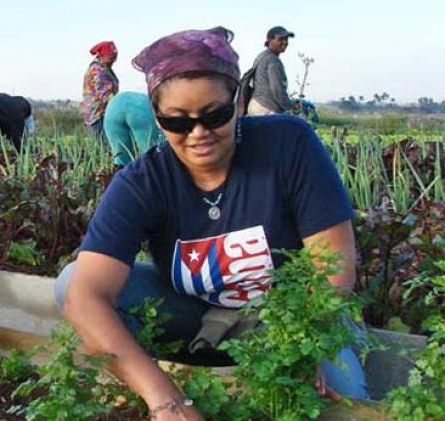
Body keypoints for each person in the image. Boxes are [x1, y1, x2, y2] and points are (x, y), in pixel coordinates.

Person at [54, 27, 368, 421]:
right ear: (157, 117)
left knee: (343, 398)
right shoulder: (142, 182)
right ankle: (173, 369)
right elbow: (85, 296)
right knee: (72, 280)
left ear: (237, 103)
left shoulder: (289, 144)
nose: (199, 133)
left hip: (294, 314)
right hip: (196, 312)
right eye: (178, 122)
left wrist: (305, 344)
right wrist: (166, 399)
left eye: (214, 115)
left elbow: (333, 270)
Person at [247, 26, 298, 115]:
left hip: (255, 104)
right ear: (270, 40)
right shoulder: (273, 60)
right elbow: (277, 90)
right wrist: (291, 106)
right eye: (281, 39)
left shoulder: (261, 56)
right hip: (266, 107)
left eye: (286, 39)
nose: (285, 42)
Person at [103, 91, 162, 166]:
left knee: (120, 155)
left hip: (113, 106)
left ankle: (122, 172)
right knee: (150, 152)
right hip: (141, 105)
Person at [82, 41, 119, 142]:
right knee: (102, 146)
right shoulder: (97, 71)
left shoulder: (106, 68)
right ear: (102, 56)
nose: (114, 60)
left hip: (105, 113)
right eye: (111, 57)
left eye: (115, 57)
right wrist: (120, 104)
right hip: (96, 116)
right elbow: (105, 95)